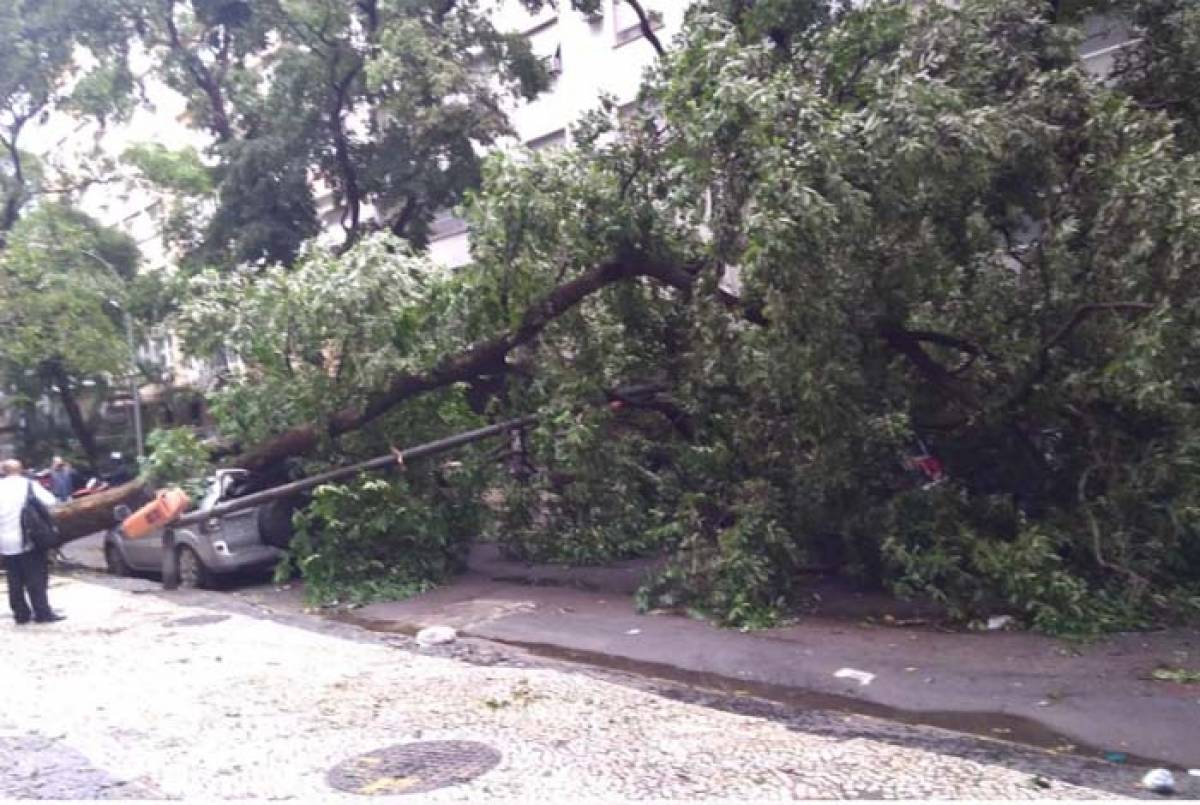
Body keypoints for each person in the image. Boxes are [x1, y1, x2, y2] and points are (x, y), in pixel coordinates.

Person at [0, 459, 65, 624]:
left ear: (3, 471)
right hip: (29, 539)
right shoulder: (28, 485)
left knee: (14, 580)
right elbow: (51, 501)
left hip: (5, 542)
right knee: (36, 578)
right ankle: (42, 612)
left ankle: (20, 614)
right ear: (21, 470)